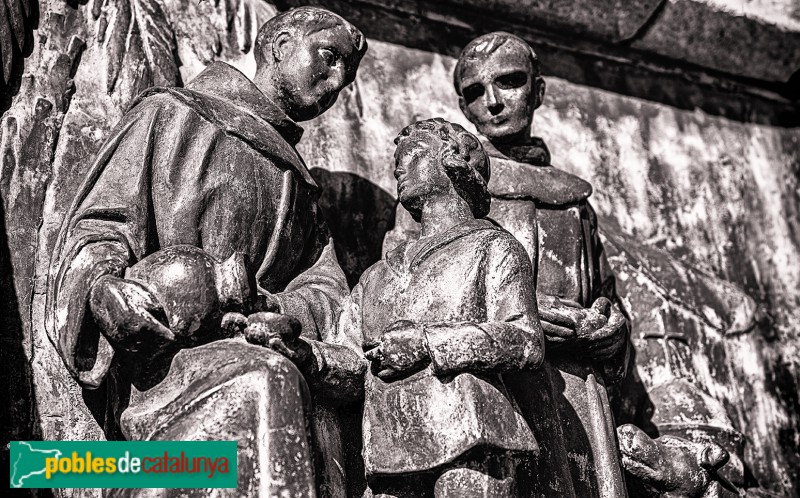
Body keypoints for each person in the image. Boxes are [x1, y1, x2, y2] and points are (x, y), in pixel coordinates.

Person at [46, 7, 367, 497]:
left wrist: (270, 309)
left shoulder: (299, 186)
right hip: (167, 369)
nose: (336, 81)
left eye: (347, 75)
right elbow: (99, 231)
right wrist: (109, 291)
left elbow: (324, 292)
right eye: (329, 57)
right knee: (265, 385)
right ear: (280, 45)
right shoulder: (171, 115)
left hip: (259, 351)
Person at [326, 118, 545, 497]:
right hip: (389, 455)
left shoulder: (493, 247)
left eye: (413, 154)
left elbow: (526, 340)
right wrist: (304, 356)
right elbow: (349, 358)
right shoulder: (375, 277)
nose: (398, 167)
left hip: (471, 441)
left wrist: (428, 343)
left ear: (454, 161)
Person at [453, 32, 630, 498]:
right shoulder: (448, 181)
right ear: (463, 108)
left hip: (576, 394)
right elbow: (407, 290)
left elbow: (605, 299)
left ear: (539, 90)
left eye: (509, 82)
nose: (492, 102)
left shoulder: (574, 201)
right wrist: (519, 315)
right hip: (494, 390)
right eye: (474, 92)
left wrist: (610, 334)